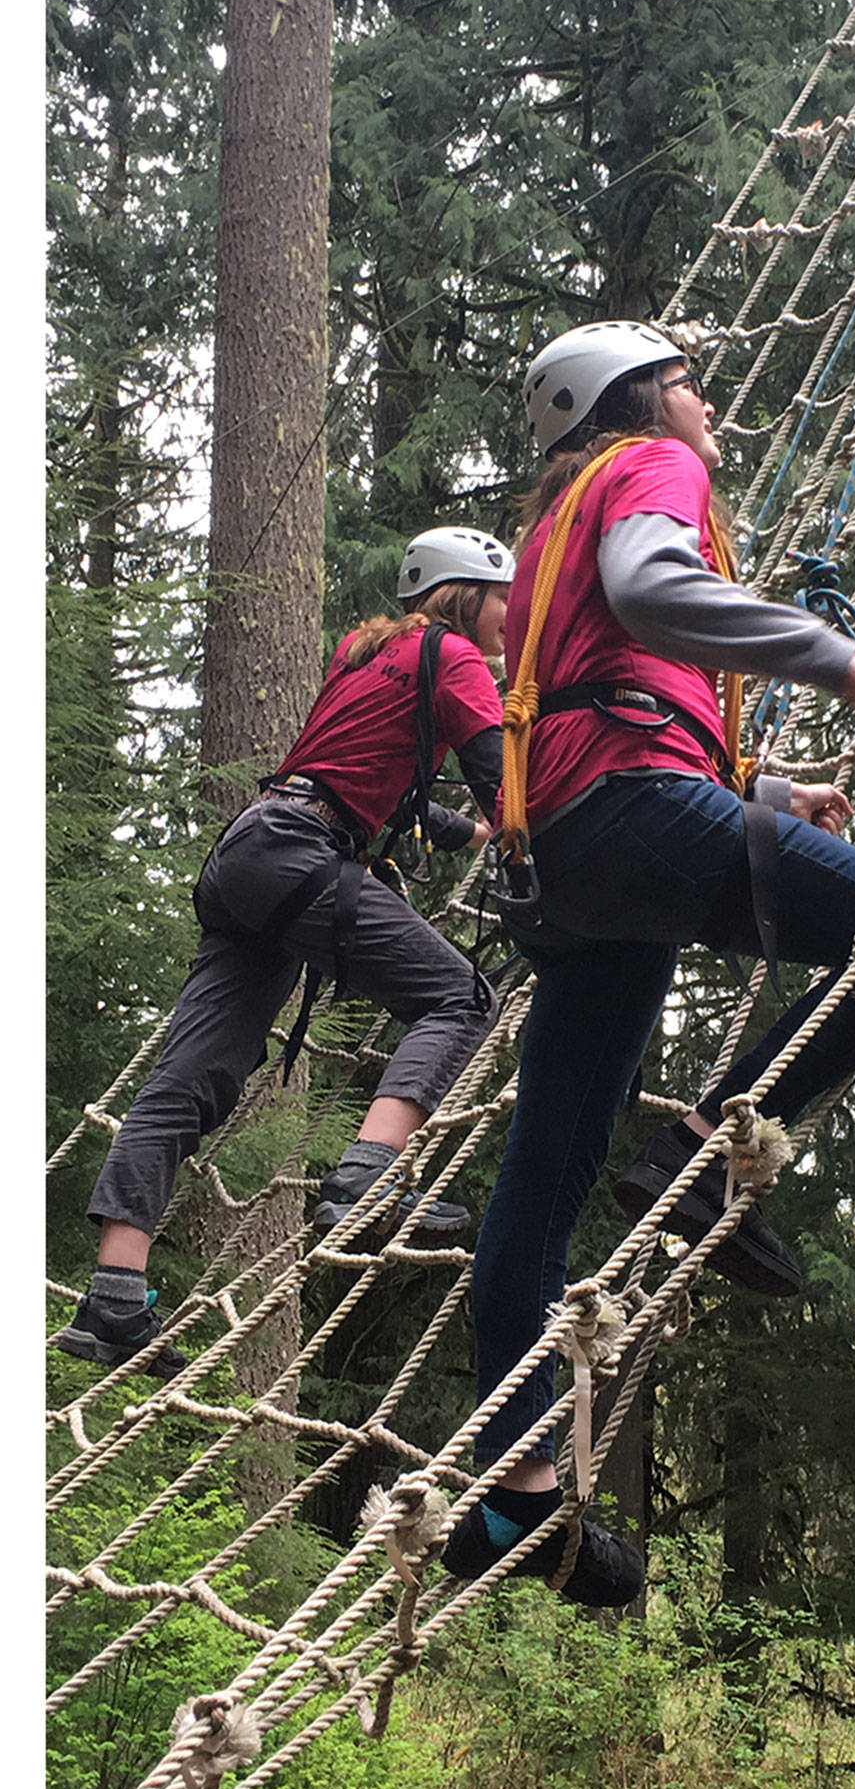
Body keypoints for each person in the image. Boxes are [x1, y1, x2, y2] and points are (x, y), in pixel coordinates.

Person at [439, 321, 855, 1608]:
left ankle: (508, 1500)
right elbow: (653, 594)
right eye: (692, 381)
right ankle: (699, 1147)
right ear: (637, 399)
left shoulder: (552, 518)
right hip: (622, 810)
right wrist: (837, 656)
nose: (709, 402)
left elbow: (603, 688)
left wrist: (773, 794)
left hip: (568, 853)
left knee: (545, 1178)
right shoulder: (645, 467)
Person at [56, 526, 515, 1381]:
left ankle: (113, 1296)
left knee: (192, 1076)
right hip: (304, 850)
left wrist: (464, 832)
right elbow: (504, 777)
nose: (511, 619)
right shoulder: (454, 658)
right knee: (462, 1000)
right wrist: (526, 837)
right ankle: (367, 1177)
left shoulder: (364, 652)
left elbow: (360, 773)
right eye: (504, 600)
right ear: (465, 596)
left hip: (251, 852)